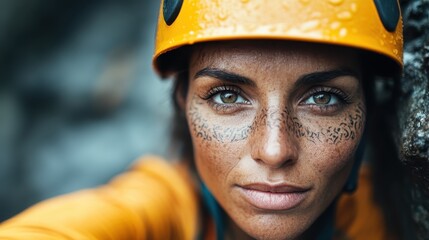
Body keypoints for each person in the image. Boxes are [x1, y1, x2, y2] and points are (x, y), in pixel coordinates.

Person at [0, 0, 408, 239]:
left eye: (323, 97)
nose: (274, 149)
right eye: (227, 96)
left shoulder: (392, 212)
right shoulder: (156, 215)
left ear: (369, 112)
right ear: (182, 102)